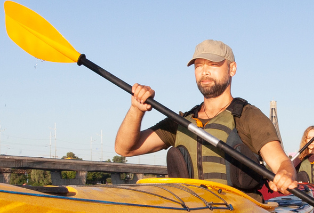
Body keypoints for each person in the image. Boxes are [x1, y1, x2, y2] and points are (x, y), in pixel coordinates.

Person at [114, 40, 297, 201]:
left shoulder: (248, 117)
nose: (205, 71)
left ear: (232, 68)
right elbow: (125, 148)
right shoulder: (181, 122)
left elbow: (281, 162)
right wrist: (136, 109)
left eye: (213, 64)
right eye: (199, 66)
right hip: (190, 212)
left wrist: (284, 174)